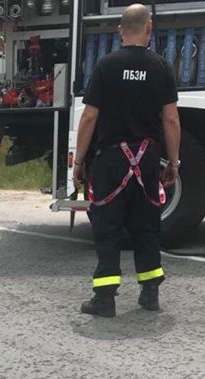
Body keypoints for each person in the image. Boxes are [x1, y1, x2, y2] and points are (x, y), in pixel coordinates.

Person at [74, 3, 180, 316]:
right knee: (146, 227)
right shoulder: (161, 67)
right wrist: (174, 162)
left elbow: (89, 116)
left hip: (110, 163)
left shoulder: (106, 66)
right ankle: (150, 294)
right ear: (149, 29)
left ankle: (105, 299)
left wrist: (78, 161)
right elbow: (171, 118)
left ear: (120, 30)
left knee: (107, 227)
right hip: (147, 162)